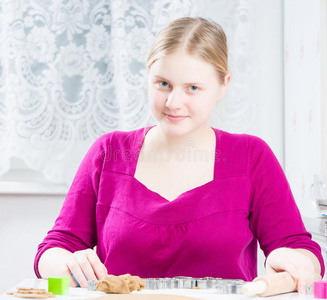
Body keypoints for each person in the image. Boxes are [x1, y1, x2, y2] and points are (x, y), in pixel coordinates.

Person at [34, 17, 324, 293]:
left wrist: (292, 259)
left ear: (223, 85)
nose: (173, 103)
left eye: (193, 88)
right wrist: (66, 263)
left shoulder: (251, 156)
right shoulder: (109, 152)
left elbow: (306, 255)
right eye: (163, 84)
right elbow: (53, 250)